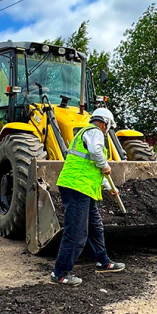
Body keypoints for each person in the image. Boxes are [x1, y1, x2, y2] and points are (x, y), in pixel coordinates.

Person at [50, 107, 125, 285]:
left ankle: (103, 262)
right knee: (76, 233)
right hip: (76, 187)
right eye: (108, 127)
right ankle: (60, 273)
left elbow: (94, 170)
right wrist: (105, 165)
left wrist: (110, 188)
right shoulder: (94, 132)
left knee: (95, 227)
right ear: (105, 124)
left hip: (84, 188)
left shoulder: (89, 134)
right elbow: (97, 154)